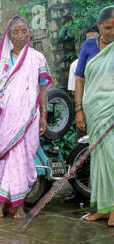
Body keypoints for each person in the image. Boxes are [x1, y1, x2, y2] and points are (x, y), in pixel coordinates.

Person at [0, 16, 52, 219]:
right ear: (8, 35)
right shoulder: (2, 59)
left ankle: (19, 205)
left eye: (24, 31)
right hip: (7, 117)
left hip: (28, 118)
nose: (20, 35)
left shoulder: (37, 58)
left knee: (23, 159)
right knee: (7, 159)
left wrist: (44, 114)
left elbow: (42, 89)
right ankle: (2, 202)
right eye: (15, 32)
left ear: (29, 33)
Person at [79, 6, 114, 227]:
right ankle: (103, 208)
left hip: (111, 110)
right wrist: (78, 109)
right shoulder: (89, 46)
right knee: (100, 161)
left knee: (112, 159)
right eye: (109, 27)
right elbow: (80, 78)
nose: (112, 31)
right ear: (99, 25)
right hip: (94, 112)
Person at [66, 23, 99, 203]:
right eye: (88, 40)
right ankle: (79, 191)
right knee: (81, 152)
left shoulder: (107, 59)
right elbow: (74, 90)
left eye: (95, 39)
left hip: (104, 112)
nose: (91, 43)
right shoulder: (76, 64)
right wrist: (80, 112)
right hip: (85, 113)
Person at [67, 24, 99, 94]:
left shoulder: (108, 61)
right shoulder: (75, 65)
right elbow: (74, 90)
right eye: (89, 41)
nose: (91, 44)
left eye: (94, 40)